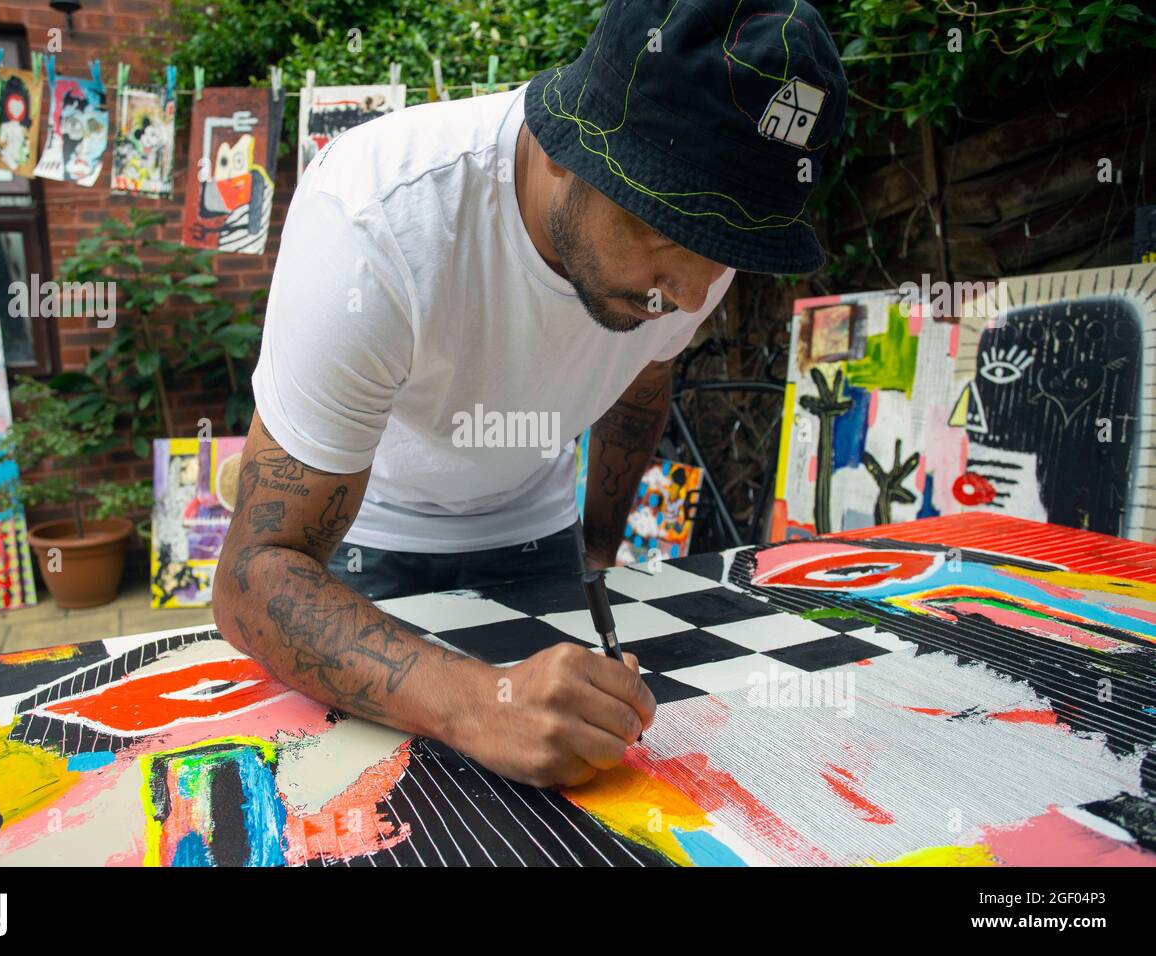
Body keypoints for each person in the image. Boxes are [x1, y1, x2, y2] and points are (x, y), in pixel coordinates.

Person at [213, 0, 847, 787]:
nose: (690, 295)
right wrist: (478, 702)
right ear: (561, 149)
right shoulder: (376, 218)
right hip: (358, 550)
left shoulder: (688, 274)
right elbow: (253, 576)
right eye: (668, 234)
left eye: (727, 250)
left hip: (538, 537)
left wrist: (597, 554)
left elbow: (640, 386)